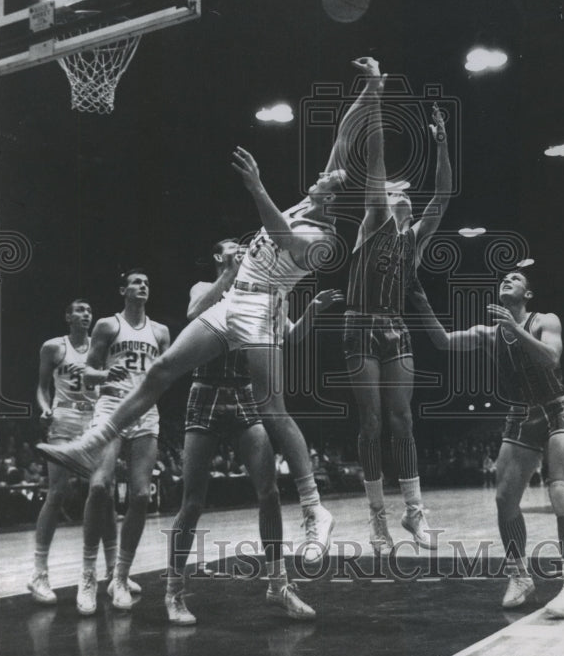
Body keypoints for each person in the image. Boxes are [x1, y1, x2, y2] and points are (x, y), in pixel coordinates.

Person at [38, 56, 385, 566]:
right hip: (235, 299)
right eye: (322, 179)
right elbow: (346, 133)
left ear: (335, 200)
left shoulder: (326, 239)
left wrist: (257, 187)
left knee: (272, 408)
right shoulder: (314, 199)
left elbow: (284, 237)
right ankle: (94, 442)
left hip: (264, 308)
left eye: (328, 185)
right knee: (161, 368)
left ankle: (314, 509)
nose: (319, 181)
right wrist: (373, 89)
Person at [165, 238, 343, 624]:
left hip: (244, 394)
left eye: (246, 248)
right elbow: (194, 311)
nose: (244, 250)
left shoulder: (265, 294)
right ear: (219, 256)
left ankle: (278, 585)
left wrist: (312, 309)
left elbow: (291, 337)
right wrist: (230, 274)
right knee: (193, 500)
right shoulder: (204, 287)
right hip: (207, 392)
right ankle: (174, 591)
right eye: (234, 248)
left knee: (270, 492)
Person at [413, 271, 564, 619]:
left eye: (517, 278)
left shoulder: (545, 320)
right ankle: (520, 577)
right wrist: (420, 303)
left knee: (560, 490)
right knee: (504, 499)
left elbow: (552, 359)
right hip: (520, 413)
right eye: (504, 278)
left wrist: (515, 329)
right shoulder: (487, 334)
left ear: (528, 293)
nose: (508, 279)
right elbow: (444, 342)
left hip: (555, 407)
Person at [343, 59, 451, 553]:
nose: (400, 193)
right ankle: (377, 518)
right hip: (359, 324)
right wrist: (376, 94)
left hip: (395, 327)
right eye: (393, 191)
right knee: (370, 423)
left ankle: (414, 512)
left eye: (405, 193)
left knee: (401, 419)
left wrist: (442, 142)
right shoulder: (375, 219)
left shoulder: (414, 239)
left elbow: (444, 195)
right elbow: (379, 162)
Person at [75, 269, 170, 614]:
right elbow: (88, 374)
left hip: (144, 412)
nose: (143, 285)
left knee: (142, 495)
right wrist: (105, 374)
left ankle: (120, 575)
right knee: (99, 487)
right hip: (112, 407)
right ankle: (88, 574)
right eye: (136, 282)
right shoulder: (107, 325)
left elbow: (167, 373)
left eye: (147, 281)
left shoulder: (160, 331)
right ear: (123, 290)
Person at [27, 299, 98, 605]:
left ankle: (109, 574)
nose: (86, 314)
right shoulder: (53, 347)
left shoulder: (102, 346)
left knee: (101, 494)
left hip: (95, 423)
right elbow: (42, 387)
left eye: (89, 311)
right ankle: (39, 573)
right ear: (68, 316)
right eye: (80, 310)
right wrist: (44, 409)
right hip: (63, 422)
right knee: (57, 493)